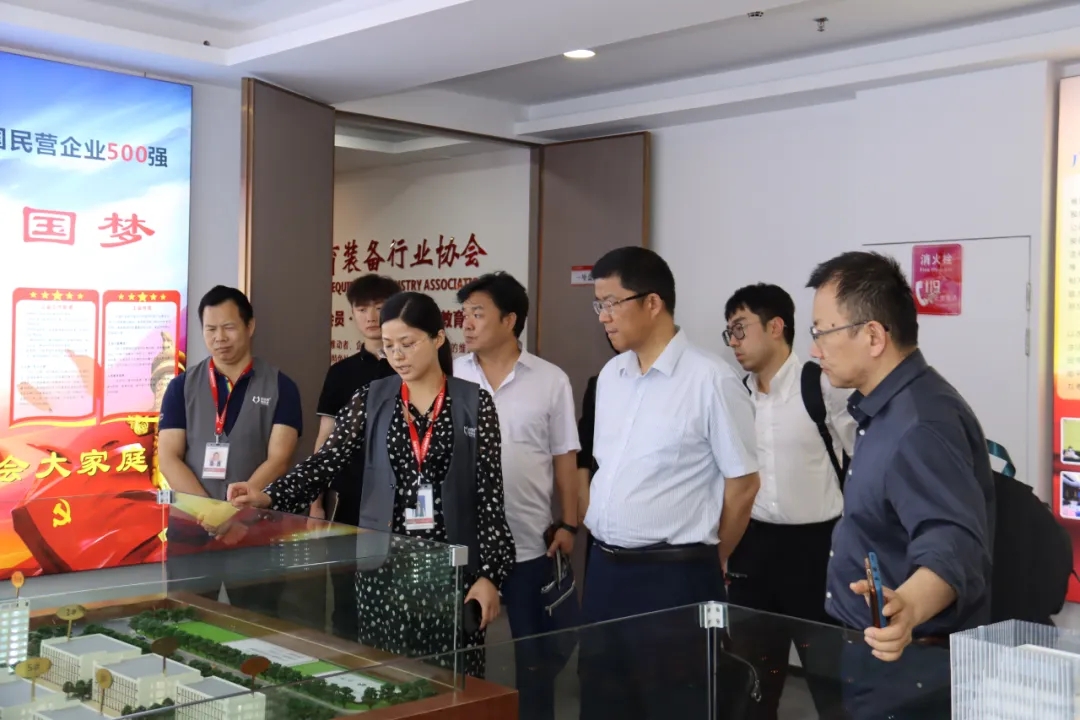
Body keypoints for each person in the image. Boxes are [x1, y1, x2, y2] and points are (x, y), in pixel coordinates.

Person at [228, 291, 515, 678]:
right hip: (383, 570)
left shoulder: (474, 403)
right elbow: (326, 460)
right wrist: (268, 494)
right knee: (386, 679)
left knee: (451, 684)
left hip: (452, 572)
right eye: (389, 345)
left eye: (408, 343)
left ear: (438, 338)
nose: (397, 355)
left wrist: (490, 575)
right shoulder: (371, 398)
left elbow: (490, 498)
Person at [806, 251, 994, 719]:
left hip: (908, 665)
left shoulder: (919, 424)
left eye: (822, 332)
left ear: (873, 336)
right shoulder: (886, 410)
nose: (815, 350)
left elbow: (953, 541)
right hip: (879, 650)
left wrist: (908, 605)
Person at [579, 246, 760, 720]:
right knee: (601, 699)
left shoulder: (710, 379)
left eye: (611, 303)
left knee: (673, 702)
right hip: (604, 571)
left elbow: (743, 485)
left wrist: (712, 557)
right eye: (598, 304)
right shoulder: (611, 377)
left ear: (653, 303)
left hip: (672, 577)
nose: (603, 316)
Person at [723, 283, 856, 720]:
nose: (733, 341)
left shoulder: (822, 386)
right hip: (752, 549)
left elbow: (864, 460)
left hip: (816, 552)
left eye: (740, 328)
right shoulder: (734, 395)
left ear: (776, 326)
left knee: (831, 681)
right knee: (751, 684)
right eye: (729, 332)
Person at [453, 272, 580, 720]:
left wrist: (569, 522)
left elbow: (565, 458)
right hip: (465, 544)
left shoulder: (550, 380)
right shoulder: (451, 375)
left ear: (510, 320)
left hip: (528, 542)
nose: (466, 323)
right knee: (458, 658)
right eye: (464, 313)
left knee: (534, 660)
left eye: (478, 313)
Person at [157, 285, 303, 613]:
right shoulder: (181, 387)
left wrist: (233, 514)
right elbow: (168, 457)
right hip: (191, 529)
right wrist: (212, 513)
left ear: (250, 326)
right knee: (186, 618)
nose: (219, 338)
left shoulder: (281, 386)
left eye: (228, 327)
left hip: (254, 531)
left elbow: (279, 459)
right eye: (210, 329)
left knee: (256, 621)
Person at [310, 274, 400, 640]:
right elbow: (324, 440)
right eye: (362, 309)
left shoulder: (411, 367)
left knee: (396, 602)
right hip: (350, 503)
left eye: (380, 307)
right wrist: (316, 503)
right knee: (346, 603)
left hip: (402, 505)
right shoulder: (341, 373)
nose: (371, 317)